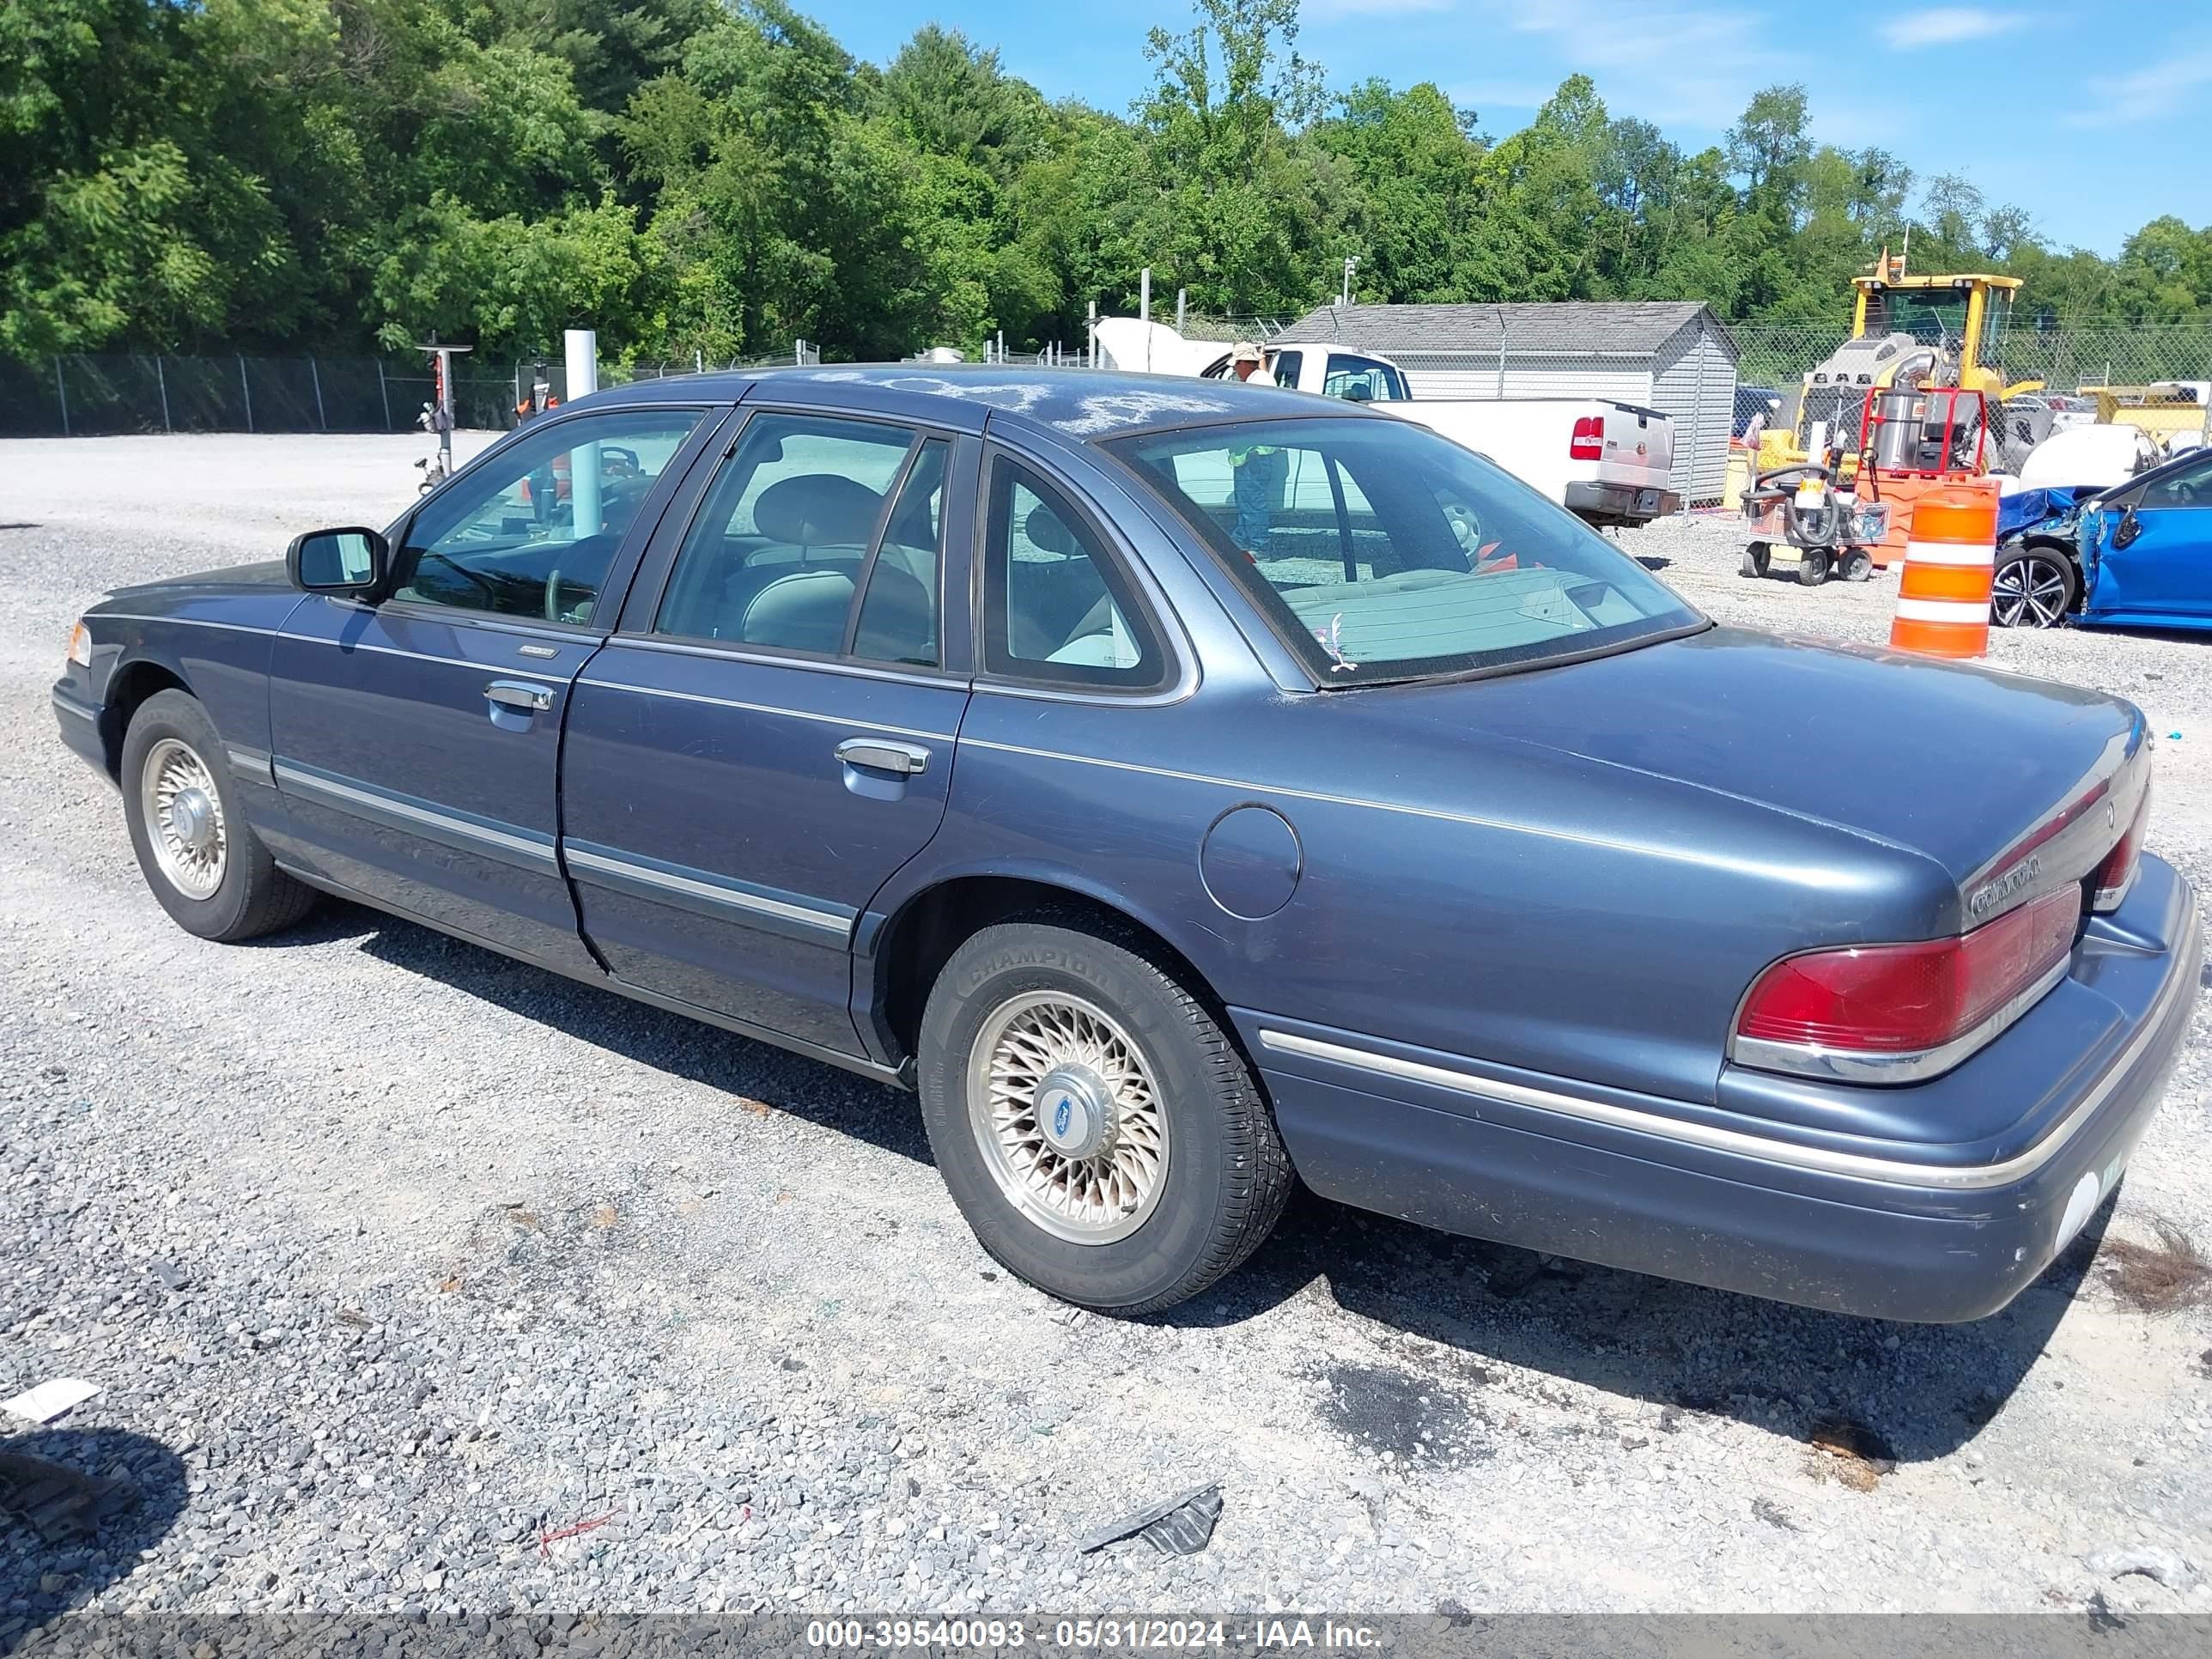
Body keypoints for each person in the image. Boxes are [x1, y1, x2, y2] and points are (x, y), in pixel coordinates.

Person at [1225, 343, 1285, 554]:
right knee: (1247, 501)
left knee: (1253, 501)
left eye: (1236, 365)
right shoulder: (1261, 378)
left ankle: (1260, 545)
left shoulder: (1254, 384)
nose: (1234, 370)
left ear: (1243, 364)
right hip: (1254, 452)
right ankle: (1241, 540)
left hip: (1253, 453)